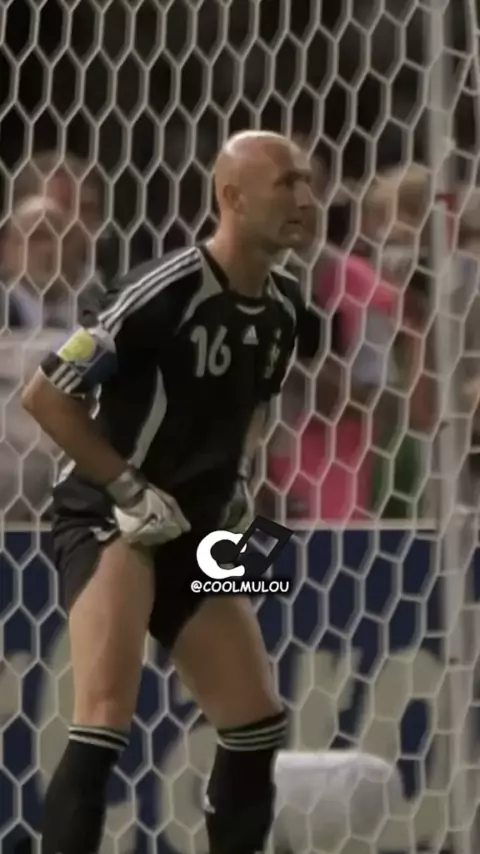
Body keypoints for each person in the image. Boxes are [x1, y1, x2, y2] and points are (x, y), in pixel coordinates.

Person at [21, 130, 318, 854]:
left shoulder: (286, 309)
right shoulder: (163, 289)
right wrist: (126, 485)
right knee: (104, 715)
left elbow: (252, 410)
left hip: (197, 526)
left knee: (255, 721)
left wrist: (239, 490)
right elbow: (45, 397)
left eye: (308, 183)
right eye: (287, 184)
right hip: (112, 514)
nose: (306, 199)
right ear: (232, 197)